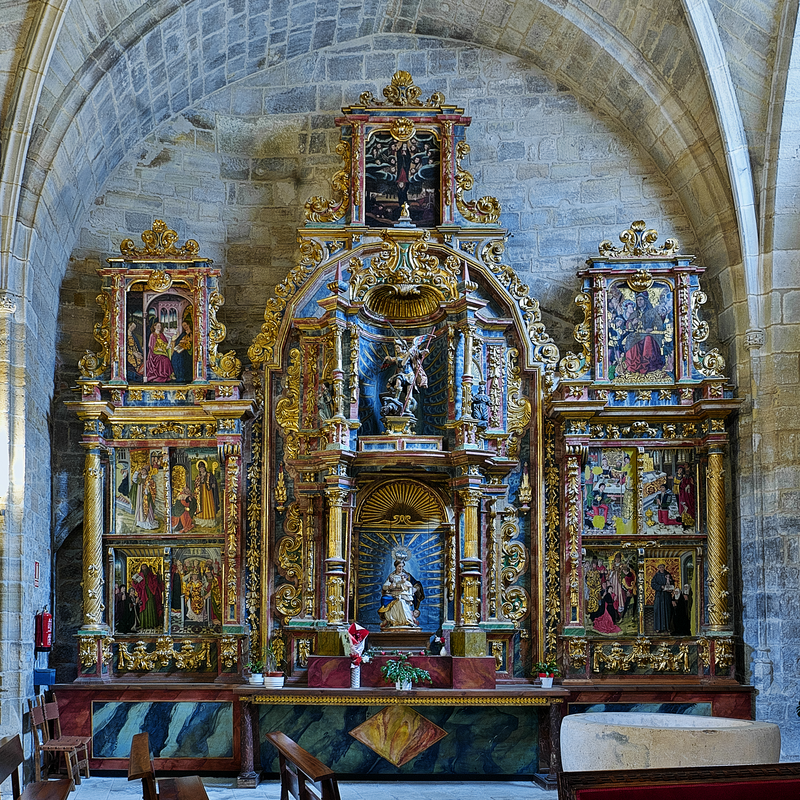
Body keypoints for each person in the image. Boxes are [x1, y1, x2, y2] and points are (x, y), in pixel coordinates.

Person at [380, 333, 432, 418]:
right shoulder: (398, 358)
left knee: (409, 394)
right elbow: (401, 364)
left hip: (410, 375)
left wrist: (423, 352)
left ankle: (407, 409)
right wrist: (387, 359)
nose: (396, 349)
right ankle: (396, 398)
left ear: (402, 346)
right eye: (395, 348)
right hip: (402, 374)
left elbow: (418, 354)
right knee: (398, 380)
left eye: (398, 347)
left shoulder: (411, 353)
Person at [623, 292, 665, 375]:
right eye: (637, 300)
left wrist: (652, 328)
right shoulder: (635, 313)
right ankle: (633, 365)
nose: (639, 302)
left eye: (641, 299)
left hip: (651, 335)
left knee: (647, 340)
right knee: (630, 339)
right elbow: (628, 325)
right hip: (637, 335)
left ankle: (645, 365)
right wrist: (632, 323)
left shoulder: (652, 312)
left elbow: (659, 324)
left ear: (645, 300)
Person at [378, 559, 424, 630]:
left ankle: (407, 620)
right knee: (385, 598)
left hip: (403, 595)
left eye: (402, 566)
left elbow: (416, 585)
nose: (401, 568)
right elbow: (385, 586)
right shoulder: (392, 576)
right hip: (393, 594)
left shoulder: (407, 576)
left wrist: (413, 589)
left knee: (401, 601)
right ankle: (392, 620)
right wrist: (389, 587)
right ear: (396, 567)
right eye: (399, 566)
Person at [193, 460, 219, 528]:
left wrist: (213, 484)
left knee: (208, 504)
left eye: (202, 467)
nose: (201, 469)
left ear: (205, 468)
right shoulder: (198, 476)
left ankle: (209, 520)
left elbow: (213, 481)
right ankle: (201, 520)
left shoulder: (209, 474)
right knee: (201, 505)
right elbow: (195, 485)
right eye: (200, 468)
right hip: (201, 493)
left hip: (208, 492)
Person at [651, 563, 675, 633]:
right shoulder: (656, 575)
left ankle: (667, 627)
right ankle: (658, 627)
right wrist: (661, 587)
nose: (661, 568)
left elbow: (672, 583)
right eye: (660, 567)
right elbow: (653, 584)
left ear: (664, 567)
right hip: (659, 596)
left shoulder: (668, 574)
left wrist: (671, 588)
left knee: (667, 610)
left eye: (662, 567)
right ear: (658, 568)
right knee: (658, 611)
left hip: (667, 596)